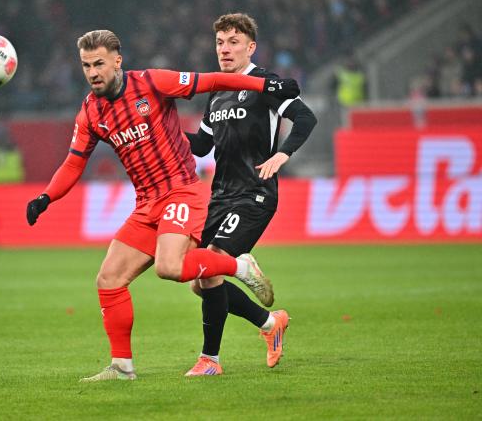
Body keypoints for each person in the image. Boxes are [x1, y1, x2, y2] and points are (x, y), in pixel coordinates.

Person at [26, 29, 300, 381]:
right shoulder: (91, 112)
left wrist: (266, 87)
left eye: (99, 63)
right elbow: (74, 163)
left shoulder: (152, 83)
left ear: (117, 61)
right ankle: (122, 367)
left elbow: (209, 80)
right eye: (85, 65)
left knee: (170, 267)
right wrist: (46, 196)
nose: (93, 72)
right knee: (109, 279)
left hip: (181, 192)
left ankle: (236, 266)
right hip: (146, 204)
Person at [184, 13, 317, 376]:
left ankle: (210, 360)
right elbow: (201, 145)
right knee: (199, 282)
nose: (224, 50)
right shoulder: (217, 92)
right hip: (221, 196)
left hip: (255, 192)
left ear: (250, 47)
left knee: (210, 265)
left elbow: (305, 118)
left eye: (233, 42)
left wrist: (282, 153)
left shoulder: (265, 83)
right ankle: (271, 324)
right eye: (220, 43)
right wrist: (167, 133)